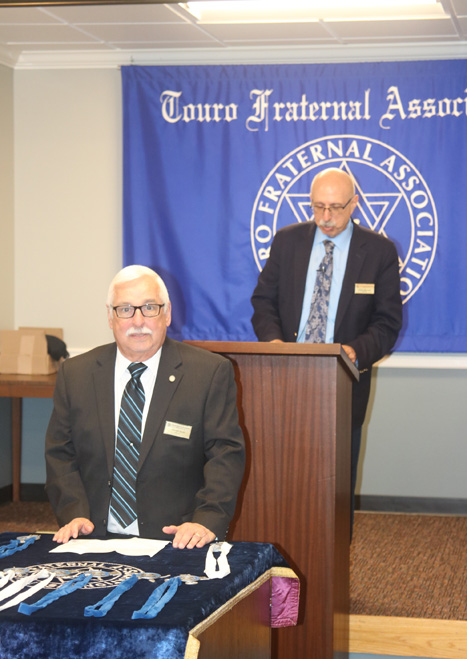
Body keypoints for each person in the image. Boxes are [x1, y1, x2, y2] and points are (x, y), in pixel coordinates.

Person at [46, 265, 245, 548]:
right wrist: (73, 513)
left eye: (149, 308)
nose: (138, 321)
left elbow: (225, 454)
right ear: (110, 317)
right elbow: (60, 454)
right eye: (125, 309)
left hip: (177, 539)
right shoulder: (75, 374)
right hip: (92, 536)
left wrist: (206, 520)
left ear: (167, 313)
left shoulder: (209, 373)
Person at [251, 167, 402, 523]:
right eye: (318, 207)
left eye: (335, 207)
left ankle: (336, 553)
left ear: (354, 203)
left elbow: (387, 322)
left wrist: (353, 352)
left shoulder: (379, 251)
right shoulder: (287, 241)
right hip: (286, 374)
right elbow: (263, 302)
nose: (325, 217)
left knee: (335, 486)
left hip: (343, 380)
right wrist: (274, 343)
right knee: (282, 477)